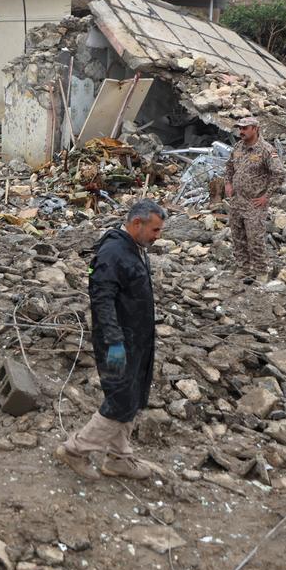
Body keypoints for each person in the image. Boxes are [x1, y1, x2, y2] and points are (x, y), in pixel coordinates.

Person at [55, 200, 165, 481]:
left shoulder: (135, 249)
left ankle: (119, 458)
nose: (157, 236)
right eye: (155, 230)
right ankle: (75, 450)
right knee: (120, 402)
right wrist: (115, 342)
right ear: (137, 224)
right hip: (118, 343)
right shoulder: (112, 254)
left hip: (137, 339)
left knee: (133, 396)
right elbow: (102, 301)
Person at [224, 116, 284, 282]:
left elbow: (278, 174)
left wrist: (266, 196)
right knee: (237, 237)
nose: (241, 132)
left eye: (245, 128)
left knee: (255, 239)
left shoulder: (266, 150)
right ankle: (243, 268)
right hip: (236, 201)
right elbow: (229, 166)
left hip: (254, 204)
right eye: (239, 128)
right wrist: (228, 183)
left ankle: (261, 271)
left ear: (255, 129)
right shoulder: (237, 147)